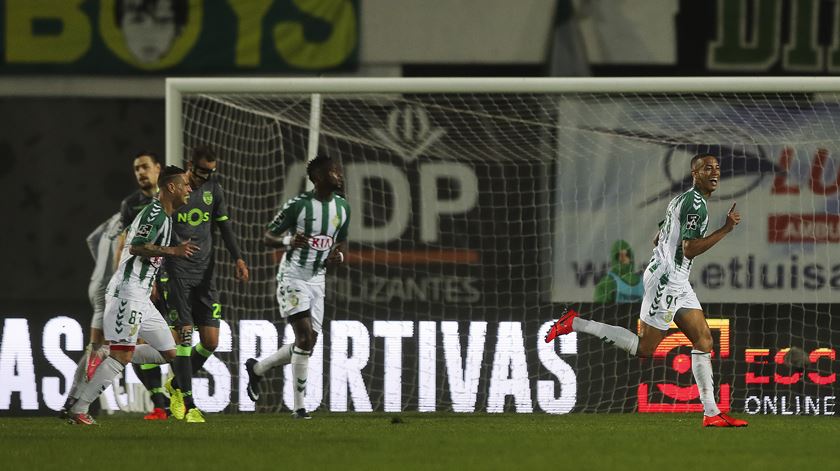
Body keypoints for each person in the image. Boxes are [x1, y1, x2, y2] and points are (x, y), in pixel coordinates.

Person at [545, 153, 748, 428]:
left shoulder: (683, 199)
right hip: (667, 280)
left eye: (717, 168)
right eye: (707, 168)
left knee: (704, 341)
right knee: (644, 348)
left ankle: (711, 413)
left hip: (676, 278)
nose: (714, 172)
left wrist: (668, 253)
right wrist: (725, 229)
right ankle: (575, 322)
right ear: (695, 174)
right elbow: (689, 249)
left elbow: (658, 236)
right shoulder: (695, 206)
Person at [66, 166, 200, 425]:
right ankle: (79, 409)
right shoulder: (155, 213)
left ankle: (106, 350)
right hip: (128, 293)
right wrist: (174, 251)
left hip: (141, 295)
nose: (190, 189)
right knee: (123, 356)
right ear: (171, 187)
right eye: (185, 184)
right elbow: (138, 246)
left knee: (171, 350)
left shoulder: (165, 215)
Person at [145, 145, 250, 423]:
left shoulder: (213, 190)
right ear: (190, 164)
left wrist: (238, 258)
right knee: (185, 335)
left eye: (211, 172)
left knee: (211, 342)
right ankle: (188, 404)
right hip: (176, 272)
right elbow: (153, 237)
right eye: (202, 171)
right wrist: (155, 276)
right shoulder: (171, 192)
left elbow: (224, 228)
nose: (205, 177)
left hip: (205, 275)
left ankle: (178, 383)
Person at [245, 154, 350, 419]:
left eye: (338, 170)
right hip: (293, 277)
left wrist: (339, 255)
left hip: (318, 280)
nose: (338, 175)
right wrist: (288, 241)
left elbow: (341, 243)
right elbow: (268, 236)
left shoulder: (343, 207)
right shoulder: (298, 206)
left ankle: (257, 369)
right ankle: (300, 408)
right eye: (332, 172)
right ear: (318, 178)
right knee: (304, 338)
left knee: (309, 342)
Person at [59, 212, 123, 418]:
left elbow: (92, 239)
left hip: (97, 282)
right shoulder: (142, 216)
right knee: (101, 348)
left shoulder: (117, 216)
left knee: (101, 347)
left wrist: (100, 268)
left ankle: (73, 400)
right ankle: (76, 402)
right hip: (109, 288)